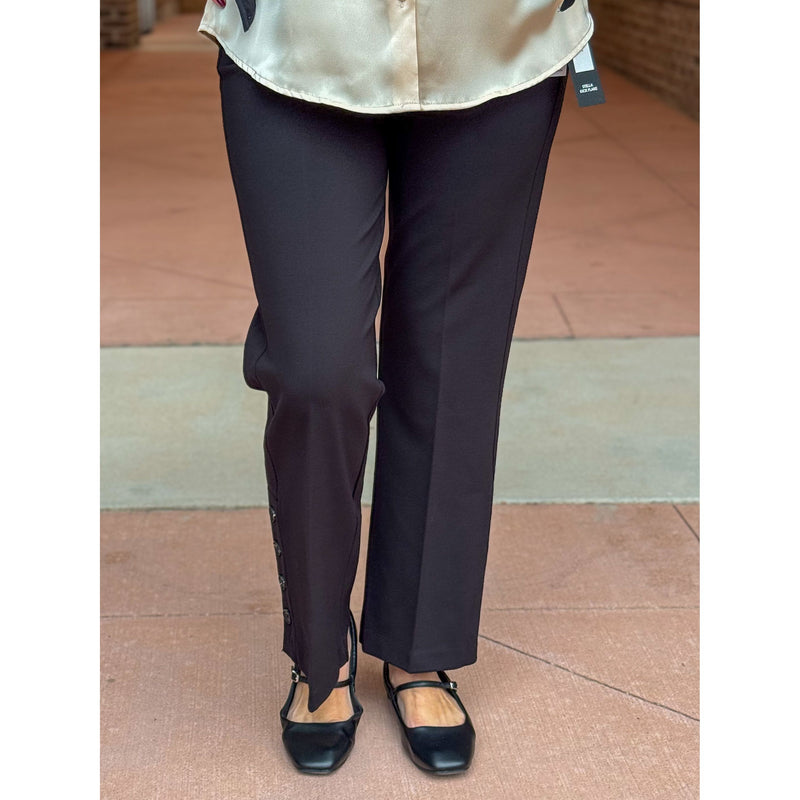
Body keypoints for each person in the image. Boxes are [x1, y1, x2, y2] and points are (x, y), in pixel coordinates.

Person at [197, 0, 595, 776]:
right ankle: (321, 647)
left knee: (454, 364)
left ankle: (419, 648)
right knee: (317, 368)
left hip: (499, 40)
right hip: (294, 41)